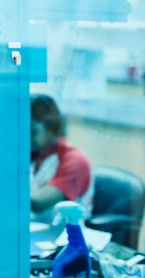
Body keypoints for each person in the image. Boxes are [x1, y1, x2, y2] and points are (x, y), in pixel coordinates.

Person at [30, 93, 92, 224]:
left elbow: (39, 203)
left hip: (66, 237)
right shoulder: (35, 154)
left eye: (32, 131)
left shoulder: (74, 160)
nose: (26, 137)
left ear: (51, 127)